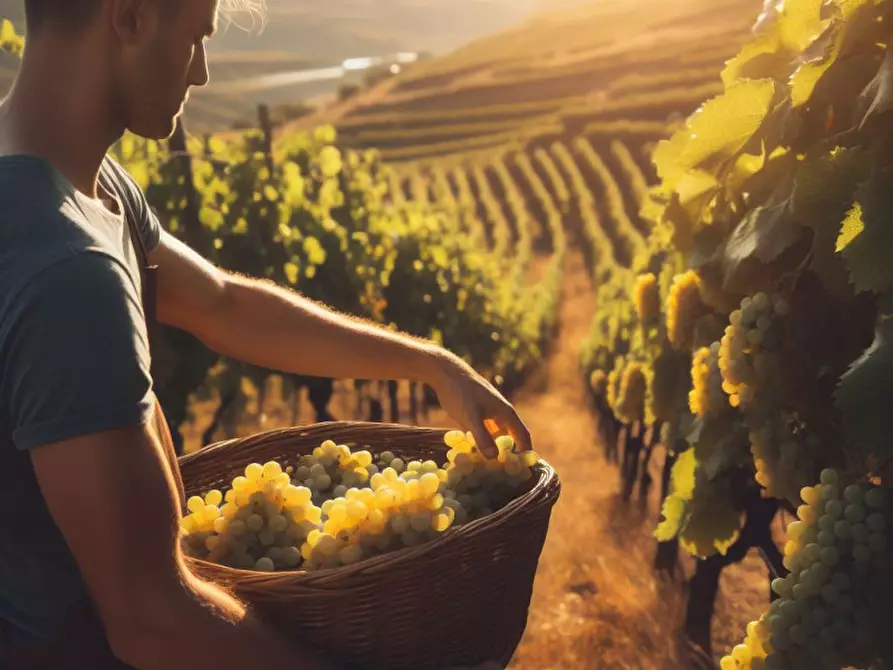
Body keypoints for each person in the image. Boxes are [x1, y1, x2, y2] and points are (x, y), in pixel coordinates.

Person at [0, 0, 532, 668]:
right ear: (129, 17)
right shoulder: (66, 268)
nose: (199, 73)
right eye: (196, 37)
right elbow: (151, 620)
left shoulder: (86, 188)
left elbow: (224, 305)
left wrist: (429, 362)